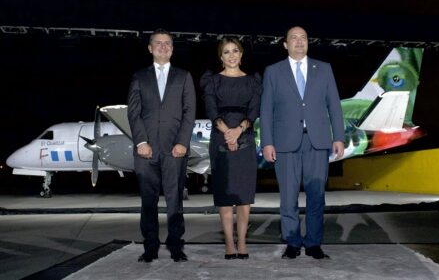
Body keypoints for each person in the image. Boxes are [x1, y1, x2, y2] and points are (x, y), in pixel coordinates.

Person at [260, 26, 345, 259]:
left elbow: (334, 107)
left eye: (303, 38)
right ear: (285, 44)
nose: (299, 41)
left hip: (317, 142)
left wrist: (338, 136)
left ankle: (314, 243)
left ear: (308, 42)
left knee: (316, 196)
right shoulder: (273, 72)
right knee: (288, 197)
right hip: (285, 143)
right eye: (294, 38)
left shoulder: (324, 69)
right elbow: (266, 110)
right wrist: (267, 142)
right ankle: (293, 242)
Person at [127, 28, 196, 263]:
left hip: (174, 150)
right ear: (150, 48)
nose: (163, 46)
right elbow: (134, 113)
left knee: (175, 201)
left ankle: (176, 245)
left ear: (173, 48)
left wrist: (182, 142)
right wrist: (141, 142)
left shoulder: (184, 76)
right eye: (158, 43)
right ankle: (150, 246)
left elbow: (189, 112)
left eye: (167, 43)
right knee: (148, 201)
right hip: (146, 152)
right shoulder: (139, 77)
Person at [200, 37, 261, 260]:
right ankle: (229, 243)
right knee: (225, 194)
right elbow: (211, 109)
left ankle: (243, 242)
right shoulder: (212, 81)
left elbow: (254, 111)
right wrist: (228, 131)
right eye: (227, 52)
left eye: (235, 51)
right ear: (221, 57)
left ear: (242, 54)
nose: (232, 55)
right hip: (220, 139)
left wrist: (238, 131)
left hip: (245, 139)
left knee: (244, 196)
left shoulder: (253, 81)